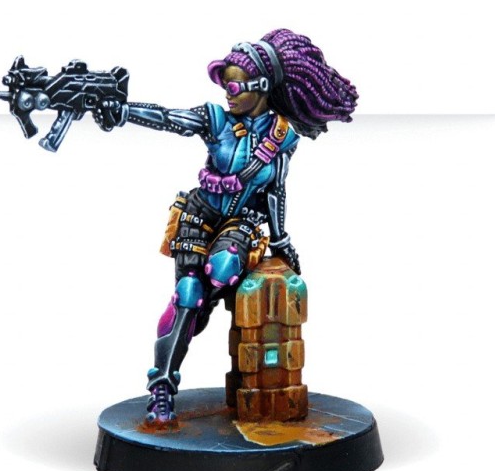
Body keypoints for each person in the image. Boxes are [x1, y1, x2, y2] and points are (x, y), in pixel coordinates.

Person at [100, 29, 358, 423]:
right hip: (200, 213)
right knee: (188, 293)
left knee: (221, 269)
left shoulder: (281, 137)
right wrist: (123, 111)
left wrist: (281, 239)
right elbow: (169, 118)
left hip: (241, 222)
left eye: (234, 85)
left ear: (261, 88)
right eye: (225, 84)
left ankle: (198, 309)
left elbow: (275, 190)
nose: (228, 93)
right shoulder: (215, 119)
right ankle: (162, 387)